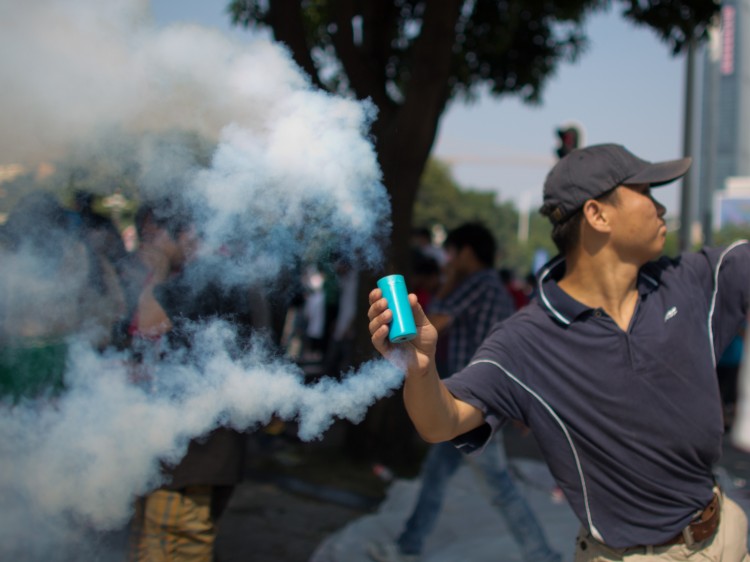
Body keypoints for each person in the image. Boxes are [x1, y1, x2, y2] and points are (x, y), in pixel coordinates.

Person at [367, 143, 750, 561]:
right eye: (646, 192)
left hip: (728, 535)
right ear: (597, 215)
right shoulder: (527, 341)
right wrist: (421, 371)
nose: (661, 209)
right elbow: (442, 422)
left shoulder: (690, 280)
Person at [368, 223, 561, 562]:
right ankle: (407, 547)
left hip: (475, 402)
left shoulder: (479, 283)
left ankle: (543, 555)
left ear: (467, 252)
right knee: (436, 477)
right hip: (465, 400)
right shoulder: (489, 285)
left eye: (452, 252)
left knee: (499, 488)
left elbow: (436, 320)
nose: (447, 259)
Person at [127, 199, 255, 562]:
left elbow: (148, 322)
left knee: (172, 547)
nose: (148, 246)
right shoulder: (222, 270)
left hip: (191, 454)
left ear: (184, 234)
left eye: (155, 237)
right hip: (194, 450)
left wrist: (161, 272)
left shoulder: (206, 276)